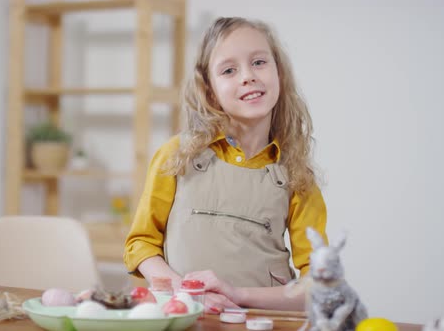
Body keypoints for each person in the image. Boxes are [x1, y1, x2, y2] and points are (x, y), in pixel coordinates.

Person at [123, 16, 328, 313]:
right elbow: (140, 245)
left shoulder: (298, 177)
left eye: (259, 62)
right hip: (184, 318)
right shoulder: (175, 157)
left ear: (279, 73)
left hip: (263, 321)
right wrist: (190, 294)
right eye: (229, 70)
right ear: (209, 90)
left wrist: (236, 294)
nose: (248, 76)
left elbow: (320, 285)